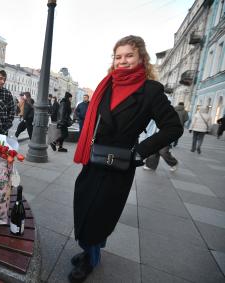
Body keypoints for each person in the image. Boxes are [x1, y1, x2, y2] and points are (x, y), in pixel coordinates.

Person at [72, 35, 183, 283]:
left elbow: (173, 127)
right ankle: (88, 250)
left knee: (100, 213)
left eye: (129, 56)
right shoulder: (107, 84)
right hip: (94, 156)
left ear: (141, 58)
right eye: (118, 56)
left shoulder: (150, 90)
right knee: (84, 204)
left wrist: (139, 152)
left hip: (120, 162)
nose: (122, 61)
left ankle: (91, 259)